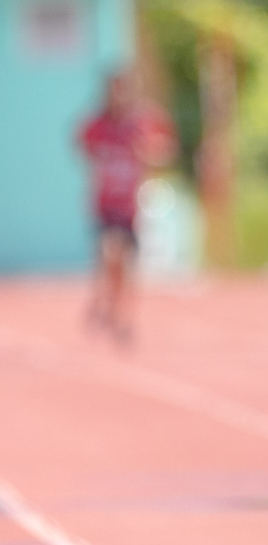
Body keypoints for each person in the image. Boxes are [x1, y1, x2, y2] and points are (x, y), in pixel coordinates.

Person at [77, 69, 176, 345]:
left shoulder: (141, 123)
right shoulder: (96, 124)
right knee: (110, 254)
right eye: (113, 90)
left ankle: (121, 315)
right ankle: (106, 302)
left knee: (125, 266)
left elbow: (165, 150)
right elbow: (82, 146)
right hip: (105, 205)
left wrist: (149, 152)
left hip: (130, 207)